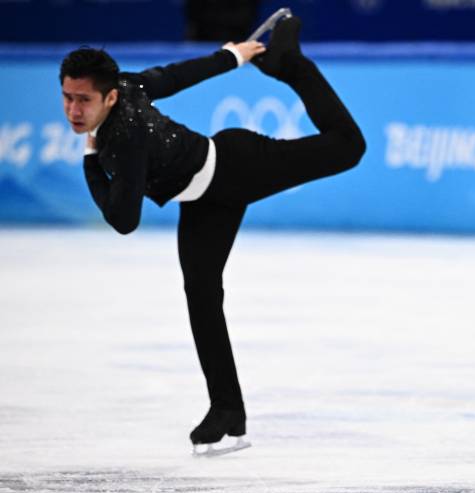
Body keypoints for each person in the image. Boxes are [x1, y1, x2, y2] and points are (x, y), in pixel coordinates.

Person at [60, 13, 366, 454]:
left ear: (109, 96)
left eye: (83, 100)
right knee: (202, 298)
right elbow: (171, 76)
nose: (74, 110)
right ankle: (227, 410)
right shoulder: (124, 87)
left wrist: (91, 163)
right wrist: (229, 57)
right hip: (203, 201)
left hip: (237, 166)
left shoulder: (123, 140)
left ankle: (293, 65)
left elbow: (123, 220)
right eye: (68, 98)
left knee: (349, 147)